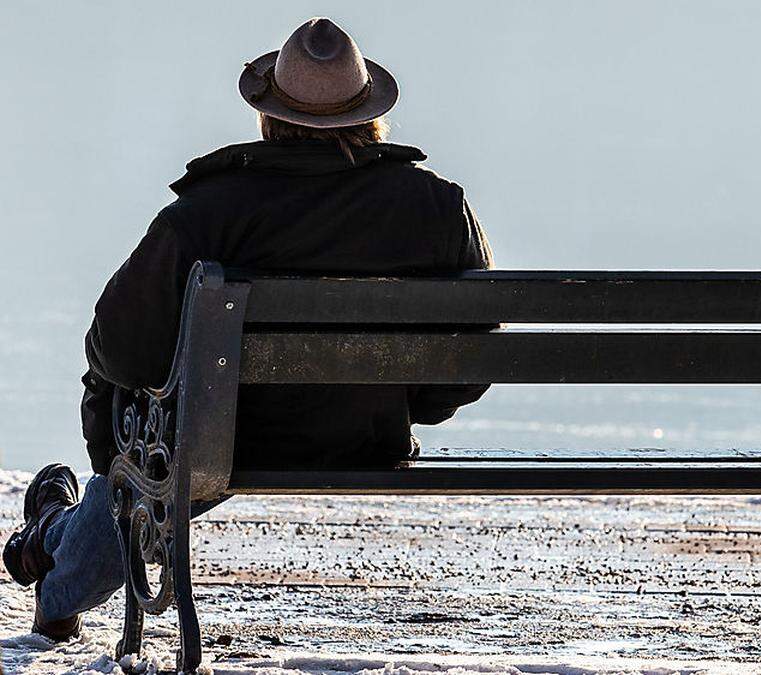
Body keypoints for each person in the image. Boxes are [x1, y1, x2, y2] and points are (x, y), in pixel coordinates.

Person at [3, 17, 492, 639]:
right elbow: (472, 354)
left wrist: (118, 425)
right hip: (367, 437)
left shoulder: (209, 212)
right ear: (369, 114)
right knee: (150, 443)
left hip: (221, 445)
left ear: (269, 115)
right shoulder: (440, 208)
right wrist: (403, 401)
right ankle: (54, 534)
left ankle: (54, 549)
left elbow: (117, 347)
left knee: (144, 436)